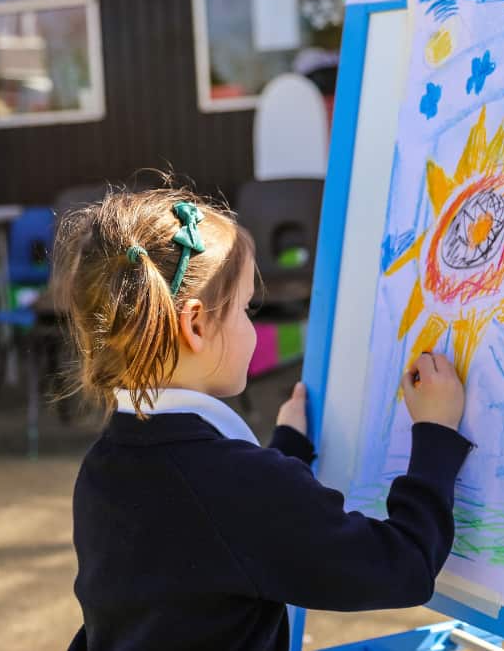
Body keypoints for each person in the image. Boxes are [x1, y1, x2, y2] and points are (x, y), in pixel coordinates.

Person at [54, 181, 473, 651]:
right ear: (195, 325)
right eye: (246, 309)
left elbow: (214, 542)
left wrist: (287, 449)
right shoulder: (236, 484)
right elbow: (402, 567)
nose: (253, 326)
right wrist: (435, 434)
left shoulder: (104, 465)